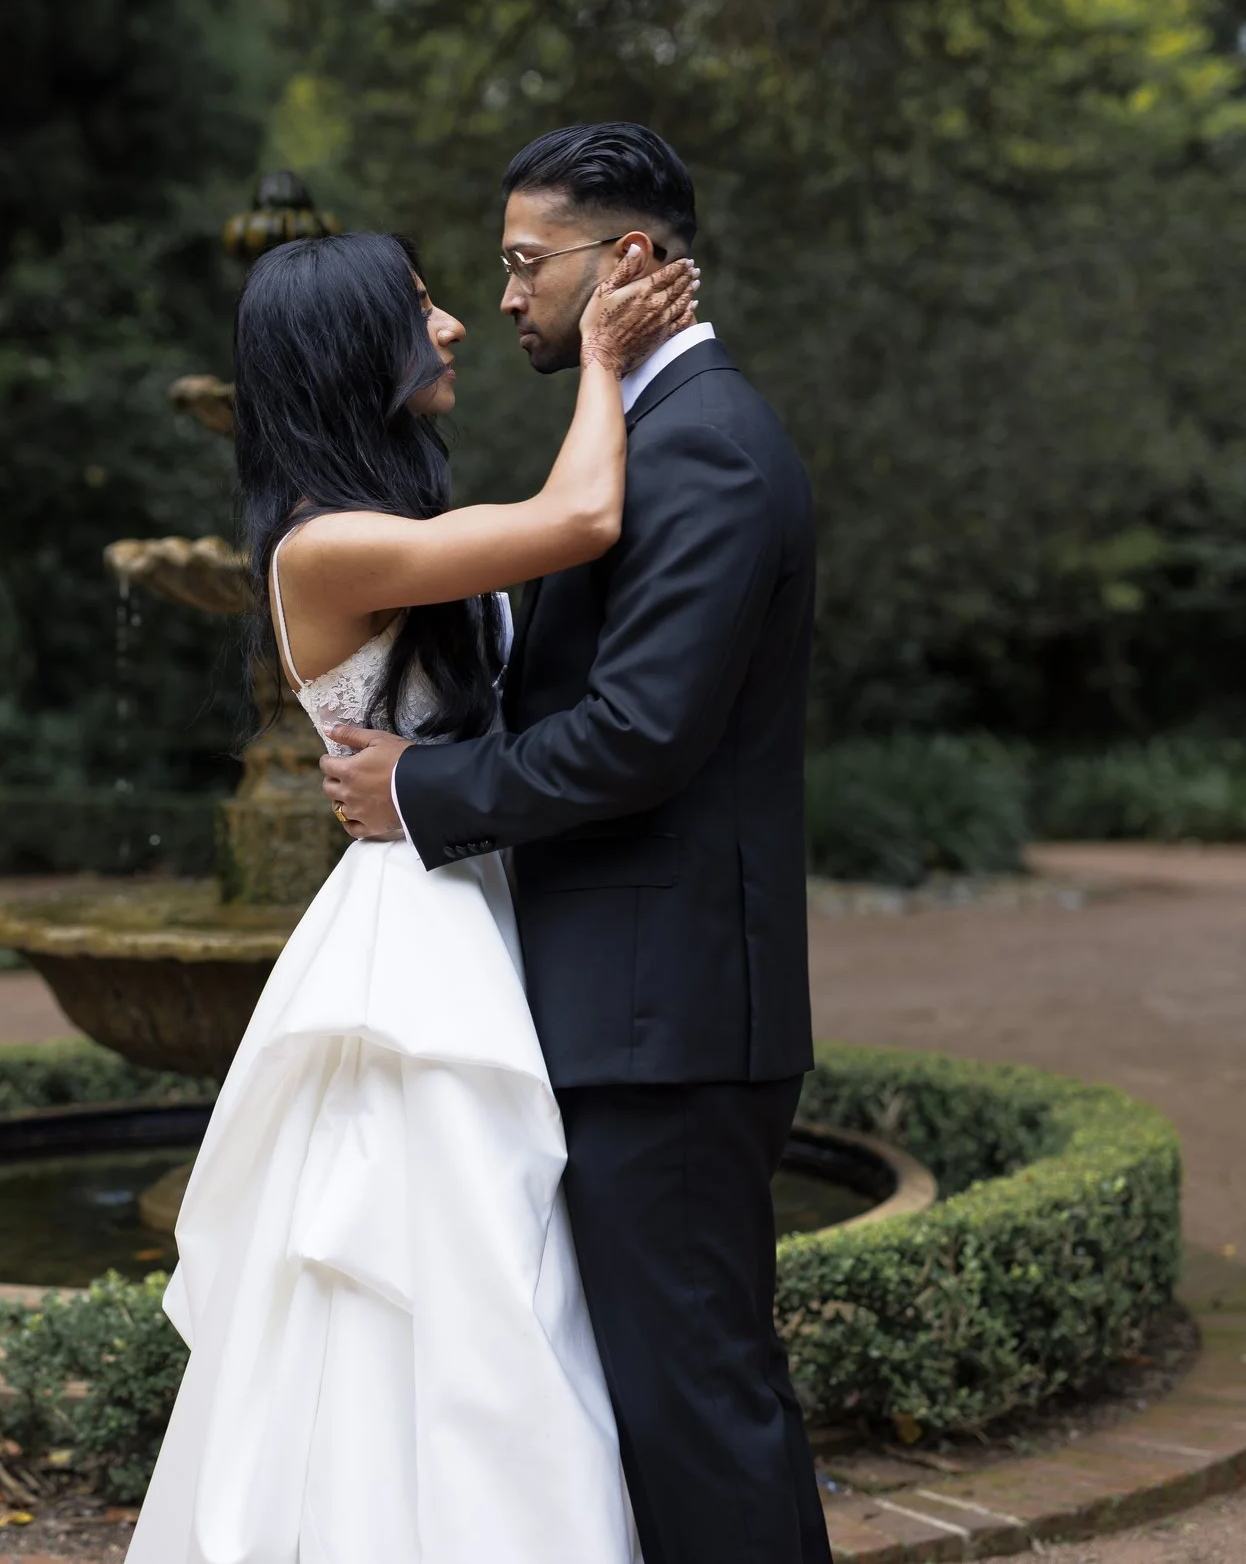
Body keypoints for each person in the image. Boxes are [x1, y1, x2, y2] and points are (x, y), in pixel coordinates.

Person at [125, 223, 698, 1564]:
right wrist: (609, 355)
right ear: (348, 353)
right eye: (422, 308)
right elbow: (580, 522)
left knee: (486, 1253)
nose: (450, 328)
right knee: (434, 1258)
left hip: (466, 882)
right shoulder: (320, 550)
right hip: (414, 933)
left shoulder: (390, 525)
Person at [320, 122, 829, 1564]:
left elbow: (642, 733)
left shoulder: (713, 446)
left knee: (702, 1407)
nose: (505, 297)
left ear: (636, 261)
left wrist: (427, 789)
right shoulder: (653, 429)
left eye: (526, 264)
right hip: (628, 1008)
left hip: (670, 1021)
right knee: (666, 1406)